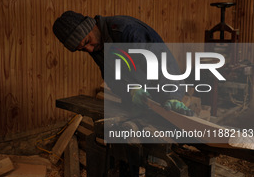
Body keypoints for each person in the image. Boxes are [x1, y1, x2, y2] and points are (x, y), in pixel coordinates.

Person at [53, 11, 193, 116]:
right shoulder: (96, 45)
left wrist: (173, 95)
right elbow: (111, 77)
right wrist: (131, 91)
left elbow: (161, 62)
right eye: (82, 49)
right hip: (139, 100)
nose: (88, 49)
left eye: (87, 42)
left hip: (162, 92)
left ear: (91, 26)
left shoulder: (125, 30)